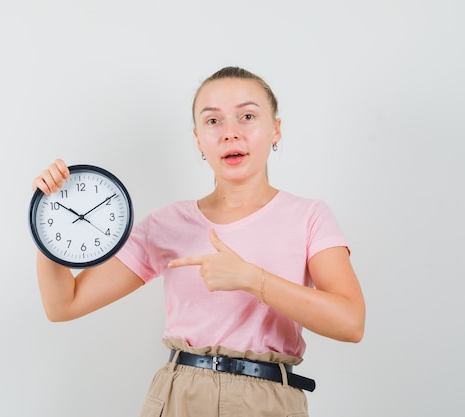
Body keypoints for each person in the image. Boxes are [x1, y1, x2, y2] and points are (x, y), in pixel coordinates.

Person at [31, 66, 366, 417]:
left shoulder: (309, 216)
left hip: (268, 401)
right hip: (179, 396)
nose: (230, 133)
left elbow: (350, 322)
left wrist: (251, 279)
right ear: (198, 140)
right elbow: (63, 305)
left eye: (247, 116)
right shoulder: (167, 223)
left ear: (275, 130)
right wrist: (48, 211)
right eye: (213, 121)